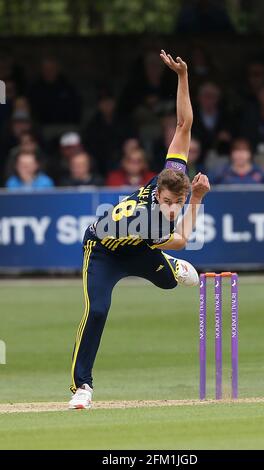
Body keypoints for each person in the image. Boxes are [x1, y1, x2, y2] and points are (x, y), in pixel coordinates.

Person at [68, 50, 210, 409]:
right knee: (97, 309)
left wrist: (182, 77)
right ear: (156, 193)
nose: (170, 208)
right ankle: (82, 386)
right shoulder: (150, 219)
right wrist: (197, 202)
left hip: (139, 247)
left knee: (166, 282)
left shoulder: (171, 175)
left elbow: (183, 126)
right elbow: (182, 239)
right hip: (101, 249)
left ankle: (169, 268)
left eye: (176, 203)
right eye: (166, 202)